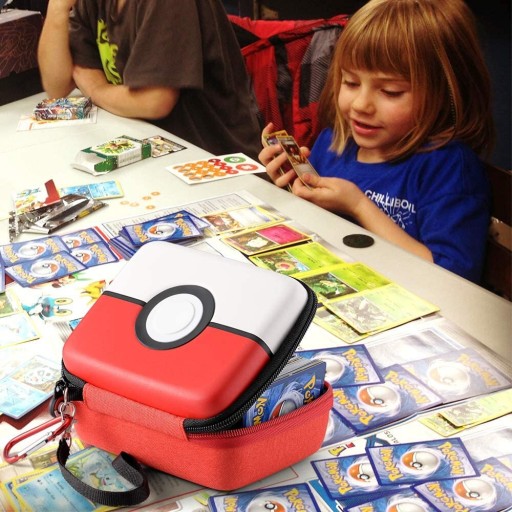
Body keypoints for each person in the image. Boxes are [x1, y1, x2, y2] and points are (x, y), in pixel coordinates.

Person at [259, 0, 495, 283]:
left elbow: (452, 280)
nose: (361, 105)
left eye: (390, 91)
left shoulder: (449, 169)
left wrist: (359, 206)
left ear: (446, 93)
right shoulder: (333, 142)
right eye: (350, 82)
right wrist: (292, 188)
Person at [38, 0, 261, 159]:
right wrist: (57, 9)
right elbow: (56, 87)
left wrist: (96, 89)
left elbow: (154, 102)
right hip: (151, 149)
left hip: (215, 161)